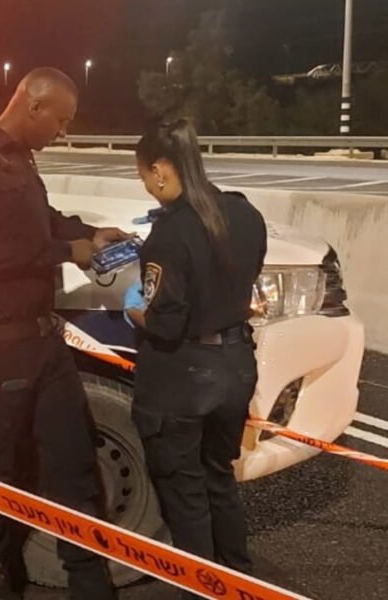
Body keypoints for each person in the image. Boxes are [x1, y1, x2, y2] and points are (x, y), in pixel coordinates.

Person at [0, 67, 127, 600]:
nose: (62, 132)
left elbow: (42, 220)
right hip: (1, 346)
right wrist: (68, 252)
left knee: (74, 463)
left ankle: (89, 581)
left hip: (44, 343)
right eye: (60, 121)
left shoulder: (18, 160)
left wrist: (90, 234)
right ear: (33, 105)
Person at [123, 119, 267, 597]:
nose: (147, 185)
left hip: (184, 377)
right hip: (236, 364)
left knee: (184, 495)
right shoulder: (245, 213)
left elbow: (166, 323)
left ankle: (201, 589)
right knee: (218, 478)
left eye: (144, 175)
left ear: (160, 170)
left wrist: (136, 310)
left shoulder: (168, 235)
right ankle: (239, 580)